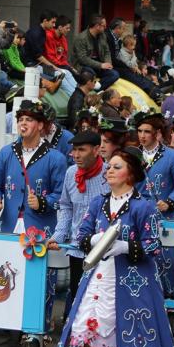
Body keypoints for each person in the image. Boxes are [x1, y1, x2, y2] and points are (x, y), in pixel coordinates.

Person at [49, 147, 174, 347]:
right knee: (90, 326)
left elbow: (154, 246)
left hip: (131, 283)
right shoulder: (98, 202)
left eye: (117, 166)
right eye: (109, 166)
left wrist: (127, 247)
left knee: (125, 331)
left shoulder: (143, 207)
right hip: (99, 275)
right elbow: (81, 236)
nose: (109, 170)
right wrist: (93, 240)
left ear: (131, 174)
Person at [0, 100, 66, 333]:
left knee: (41, 278)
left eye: (29, 119)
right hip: (10, 224)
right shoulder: (6, 153)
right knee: (5, 273)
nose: (23, 123)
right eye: (21, 119)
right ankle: (4, 323)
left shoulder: (56, 158)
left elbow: (61, 196)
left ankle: (39, 324)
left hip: (39, 228)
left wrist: (42, 203)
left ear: (41, 125)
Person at [47, 130, 109, 321]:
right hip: (77, 249)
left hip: (104, 250)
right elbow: (65, 206)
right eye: (74, 150)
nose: (76, 155)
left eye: (81, 150)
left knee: (100, 302)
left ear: (97, 150)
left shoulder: (110, 174)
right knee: (78, 296)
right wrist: (58, 235)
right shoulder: (71, 173)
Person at [132, 110, 174, 297]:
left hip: (164, 217)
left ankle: (169, 297)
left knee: (167, 260)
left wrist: (170, 202)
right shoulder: (132, 156)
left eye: (146, 131)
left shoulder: (171, 156)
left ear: (157, 134)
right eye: (139, 131)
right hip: (137, 216)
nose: (142, 135)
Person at [72, 14, 119, 90]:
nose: (105, 28)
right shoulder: (81, 38)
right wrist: (100, 65)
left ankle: (96, 89)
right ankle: (93, 89)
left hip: (99, 64)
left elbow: (107, 51)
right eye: (104, 26)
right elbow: (83, 59)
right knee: (91, 74)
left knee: (114, 74)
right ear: (97, 26)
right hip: (83, 66)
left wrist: (108, 63)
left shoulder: (102, 35)